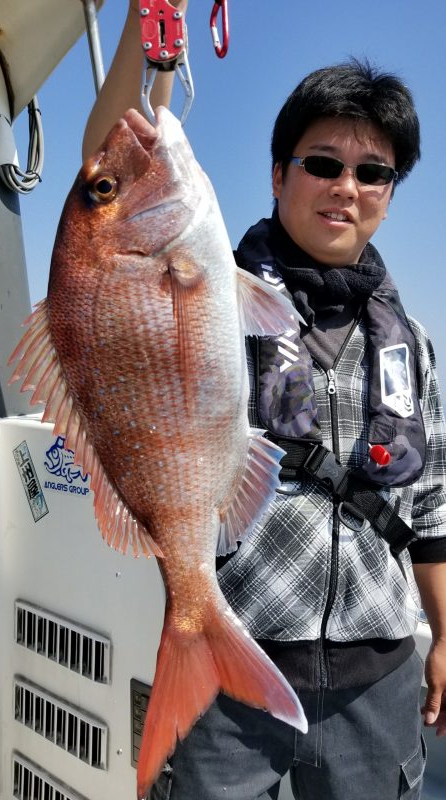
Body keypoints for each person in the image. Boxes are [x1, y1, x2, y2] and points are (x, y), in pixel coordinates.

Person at [82, 5, 446, 799]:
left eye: (373, 172)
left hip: (380, 673)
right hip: (234, 656)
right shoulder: (215, 290)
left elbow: (432, 505)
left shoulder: (411, 340)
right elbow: (114, 155)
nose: (346, 187)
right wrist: (152, 35)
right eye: (322, 163)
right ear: (277, 175)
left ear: (390, 193)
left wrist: (445, 635)